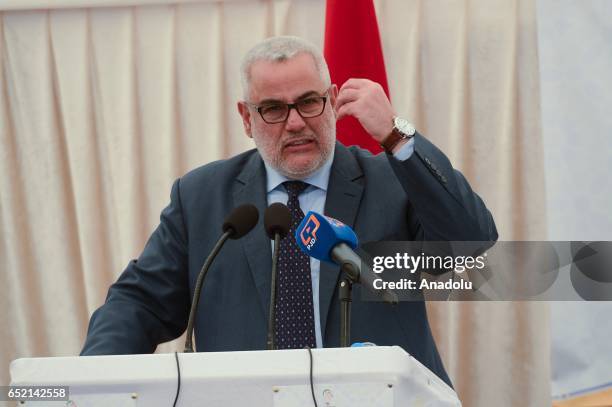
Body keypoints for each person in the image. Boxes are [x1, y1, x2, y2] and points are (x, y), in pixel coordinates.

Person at [81, 36, 497, 388]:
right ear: (247, 118)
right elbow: (141, 303)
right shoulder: (201, 197)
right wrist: (90, 382)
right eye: (274, 109)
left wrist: (395, 133)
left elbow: (469, 242)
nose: (296, 122)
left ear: (333, 101)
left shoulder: (389, 180)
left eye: (309, 102)